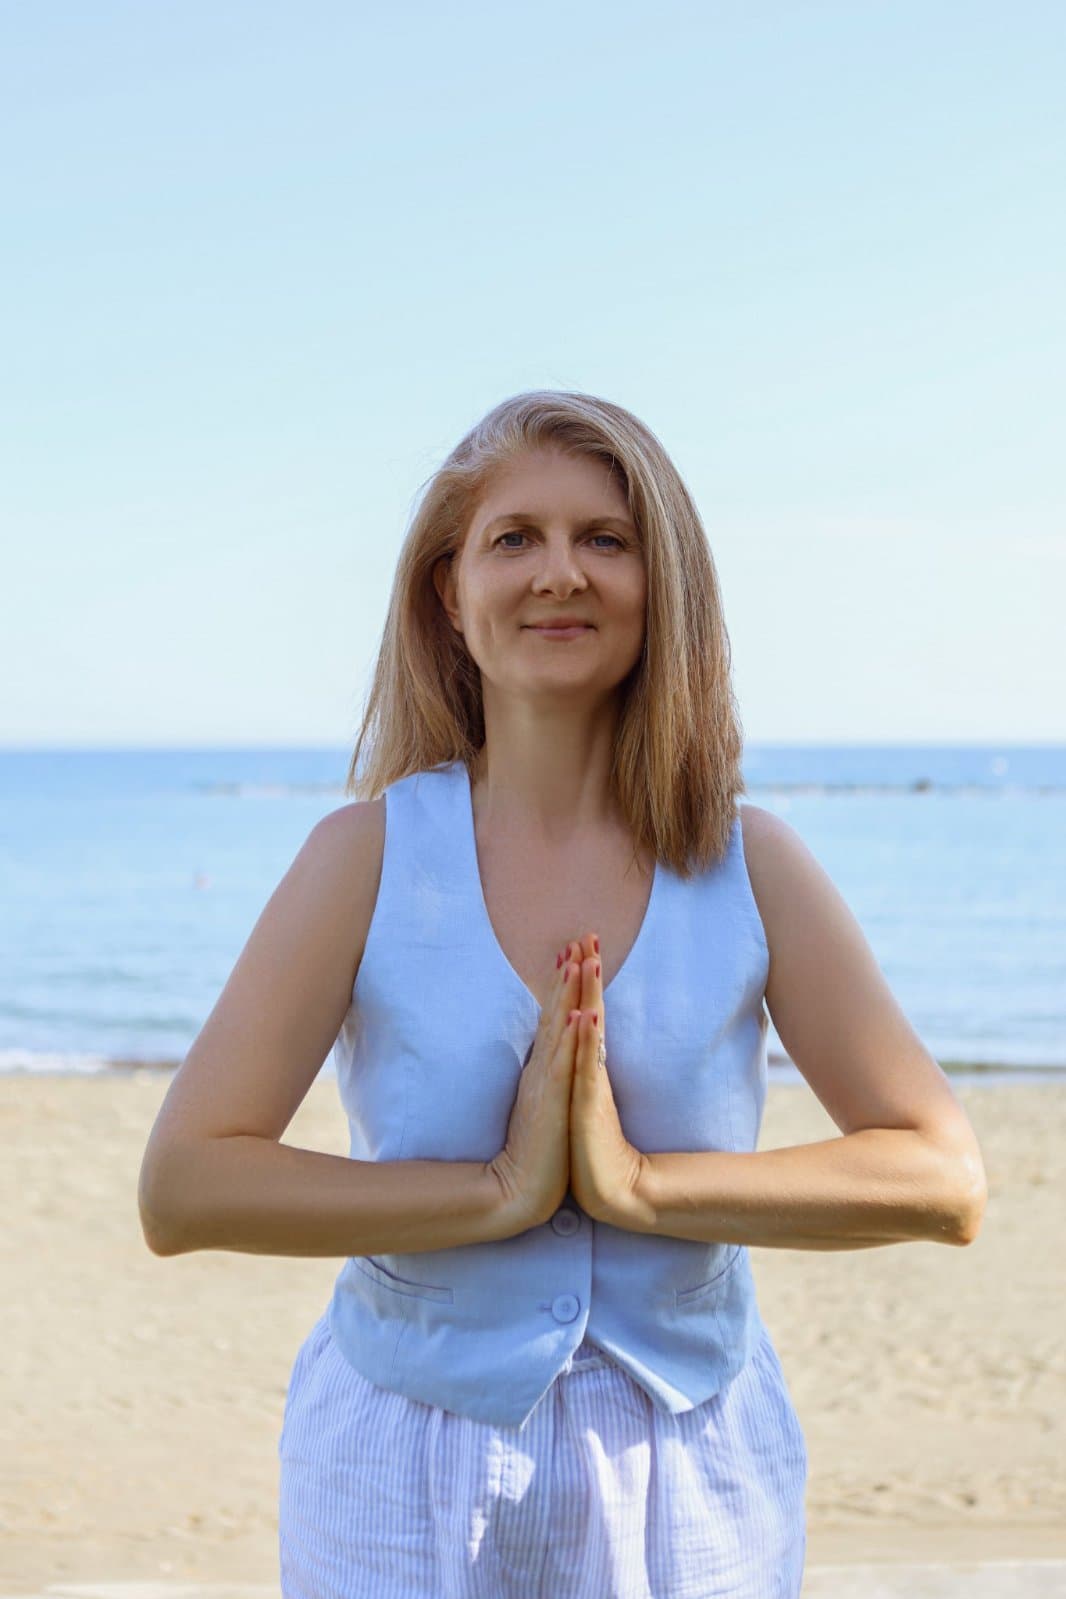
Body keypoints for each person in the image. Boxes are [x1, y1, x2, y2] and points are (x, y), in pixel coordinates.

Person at [137, 390, 987, 1598]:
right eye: (513, 539)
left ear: (663, 580)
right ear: (449, 592)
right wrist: (495, 1194)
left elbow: (943, 1177)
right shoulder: (361, 857)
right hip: (397, 1455)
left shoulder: (751, 863)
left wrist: (636, 1187)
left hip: (693, 1465)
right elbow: (183, 1185)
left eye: (605, 538)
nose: (560, 575)